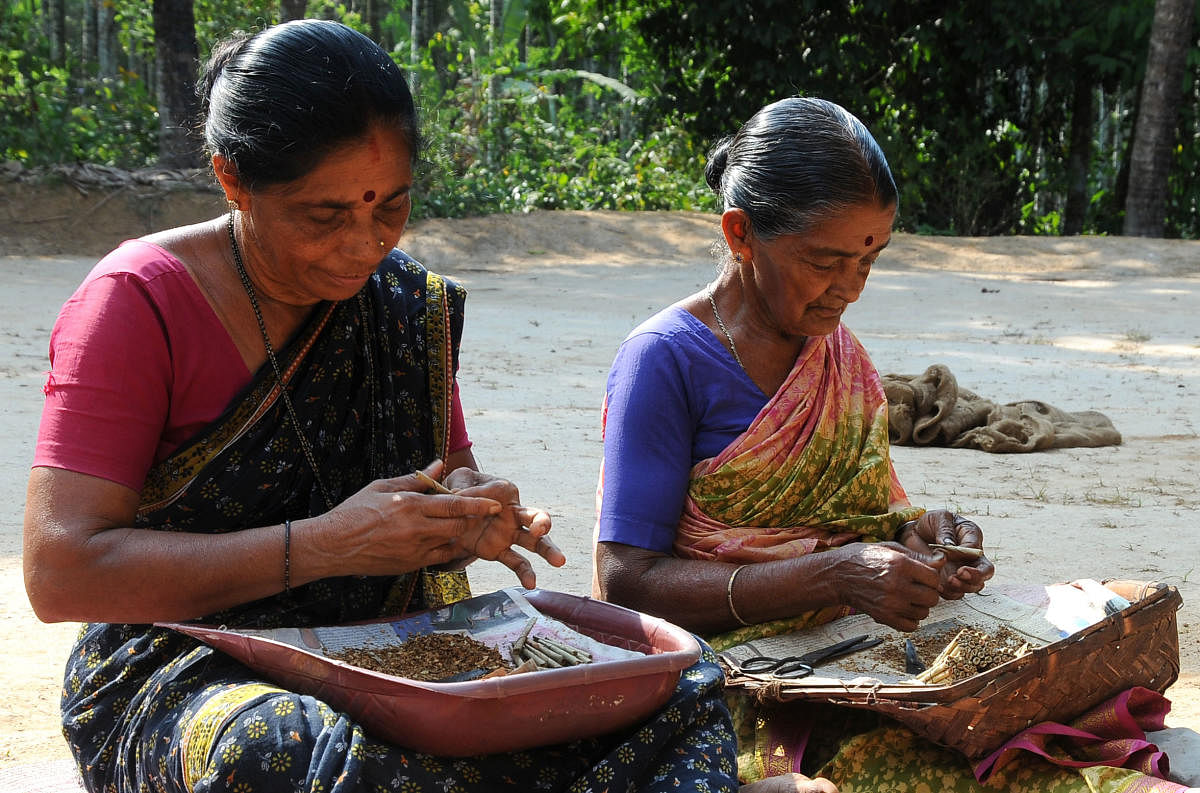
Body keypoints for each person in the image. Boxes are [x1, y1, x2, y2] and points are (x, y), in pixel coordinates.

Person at [22, 20, 741, 793]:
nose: (365, 245)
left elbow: (449, 483)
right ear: (233, 179)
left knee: (683, 680)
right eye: (324, 216)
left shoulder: (402, 307)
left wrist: (467, 514)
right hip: (191, 666)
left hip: (389, 654)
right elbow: (60, 572)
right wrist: (324, 545)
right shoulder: (138, 302)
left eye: (391, 208)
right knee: (281, 753)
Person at [593, 97, 1180, 792]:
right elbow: (625, 581)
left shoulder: (840, 355)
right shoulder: (665, 359)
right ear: (741, 233)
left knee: (1067, 671)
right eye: (825, 261)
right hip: (743, 681)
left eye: (869, 260)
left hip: (865, 648)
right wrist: (834, 575)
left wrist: (923, 540)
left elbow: (863, 518)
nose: (850, 289)